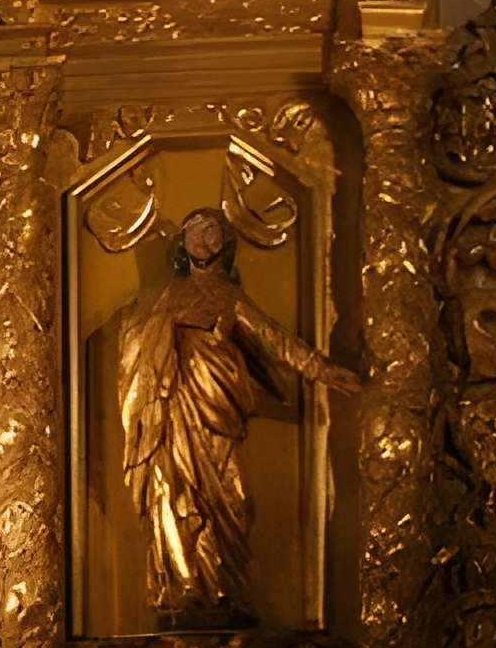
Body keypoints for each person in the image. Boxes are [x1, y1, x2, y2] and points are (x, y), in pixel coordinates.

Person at [117, 208, 359, 626]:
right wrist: (157, 333)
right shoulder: (163, 294)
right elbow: (132, 346)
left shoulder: (229, 296)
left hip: (217, 408)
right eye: (193, 231)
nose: (202, 239)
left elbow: (273, 338)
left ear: (224, 243)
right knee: (175, 496)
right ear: (183, 243)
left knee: (230, 498)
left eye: (211, 231)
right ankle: (182, 588)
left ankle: (224, 586)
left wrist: (320, 368)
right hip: (172, 411)